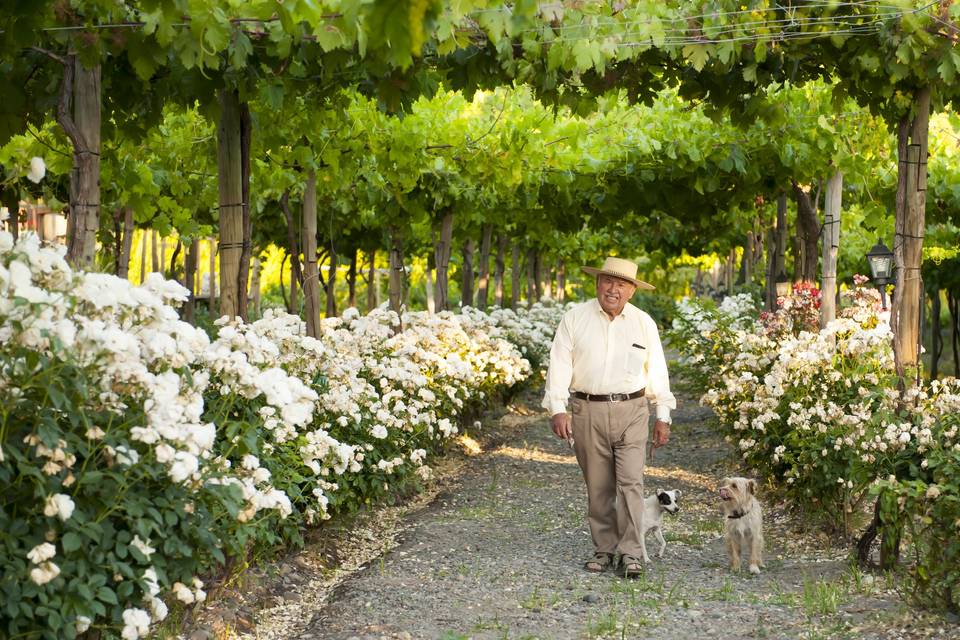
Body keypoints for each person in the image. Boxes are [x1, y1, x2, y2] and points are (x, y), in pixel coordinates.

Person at [542, 256, 675, 578]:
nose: (613, 289)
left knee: (631, 482)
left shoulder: (643, 322)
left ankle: (630, 552)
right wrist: (558, 408)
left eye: (621, 284)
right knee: (599, 486)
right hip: (587, 410)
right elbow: (559, 364)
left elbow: (656, 370)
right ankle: (604, 549)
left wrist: (663, 415)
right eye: (607, 281)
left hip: (632, 410)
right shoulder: (575, 318)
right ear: (597, 283)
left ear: (632, 290)